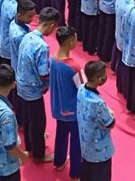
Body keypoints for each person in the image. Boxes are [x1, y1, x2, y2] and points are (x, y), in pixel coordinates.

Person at [16, 7, 60, 161]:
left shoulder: (27, 36)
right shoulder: (42, 46)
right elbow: (43, 74)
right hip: (33, 89)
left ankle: (30, 145)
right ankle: (39, 154)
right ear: (51, 25)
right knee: (38, 122)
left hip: (22, 84)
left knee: (28, 119)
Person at [49, 26, 83, 179]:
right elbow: (83, 89)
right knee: (76, 141)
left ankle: (59, 161)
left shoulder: (52, 60)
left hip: (58, 107)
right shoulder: (74, 67)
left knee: (61, 134)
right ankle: (75, 172)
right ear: (70, 42)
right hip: (73, 111)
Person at [77, 61, 115, 181]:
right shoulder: (97, 103)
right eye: (104, 75)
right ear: (99, 79)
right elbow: (111, 122)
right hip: (100, 150)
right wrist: (110, 113)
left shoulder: (81, 89)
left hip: (85, 143)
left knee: (87, 174)